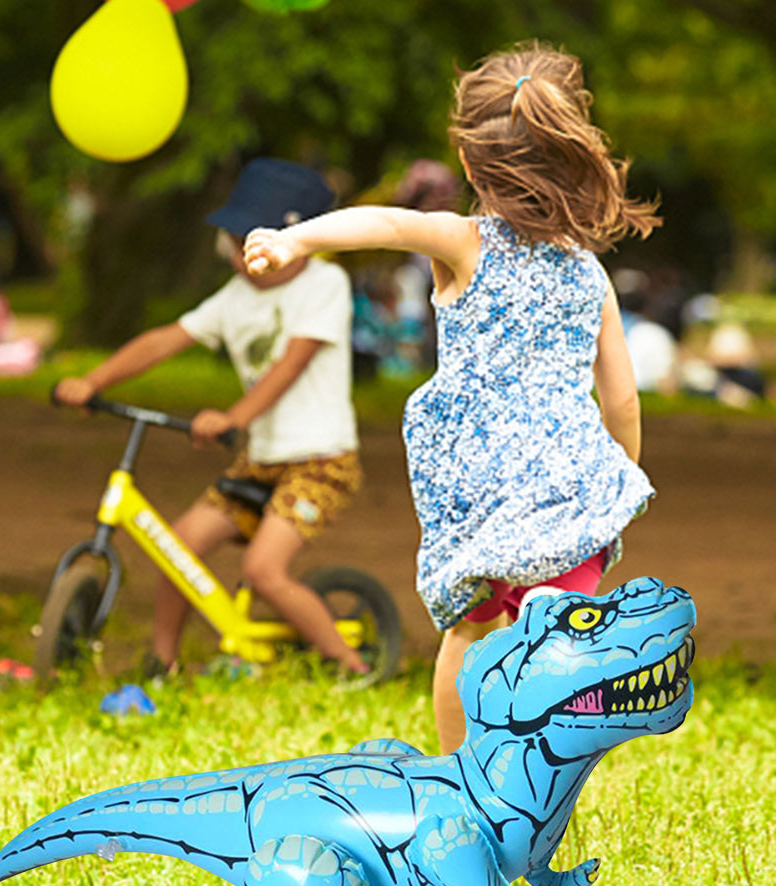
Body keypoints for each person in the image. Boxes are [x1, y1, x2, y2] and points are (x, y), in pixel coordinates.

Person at [244, 42, 656, 754]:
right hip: (570, 487)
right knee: (561, 633)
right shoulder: (590, 276)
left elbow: (381, 223)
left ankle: (461, 776)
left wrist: (295, 243)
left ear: (468, 163)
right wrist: (613, 479)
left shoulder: (462, 243)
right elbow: (621, 401)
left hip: (482, 495)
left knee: (468, 631)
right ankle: (547, 780)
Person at [55, 159, 367, 678]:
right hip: (259, 460)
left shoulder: (324, 284)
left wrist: (232, 416)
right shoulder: (235, 297)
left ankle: (354, 667)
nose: (242, 256)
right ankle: (165, 663)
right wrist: (94, 382)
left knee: (263, 571)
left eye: (252, 239)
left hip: (320, 461)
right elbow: (165, 340)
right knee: (178, 549)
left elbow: (293, 362)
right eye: (235, 240)